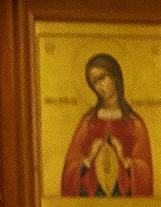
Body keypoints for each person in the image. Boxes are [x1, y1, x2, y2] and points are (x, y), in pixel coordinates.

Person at [60, 54, 155, 198]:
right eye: (94, 82)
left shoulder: (134, 124)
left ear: (115, 76)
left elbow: (146, 174)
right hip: (91, 199)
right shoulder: (88, 122)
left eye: (102, 78)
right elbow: (69, 173)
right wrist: (88, 158)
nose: (99, 86)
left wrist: (125, 160)